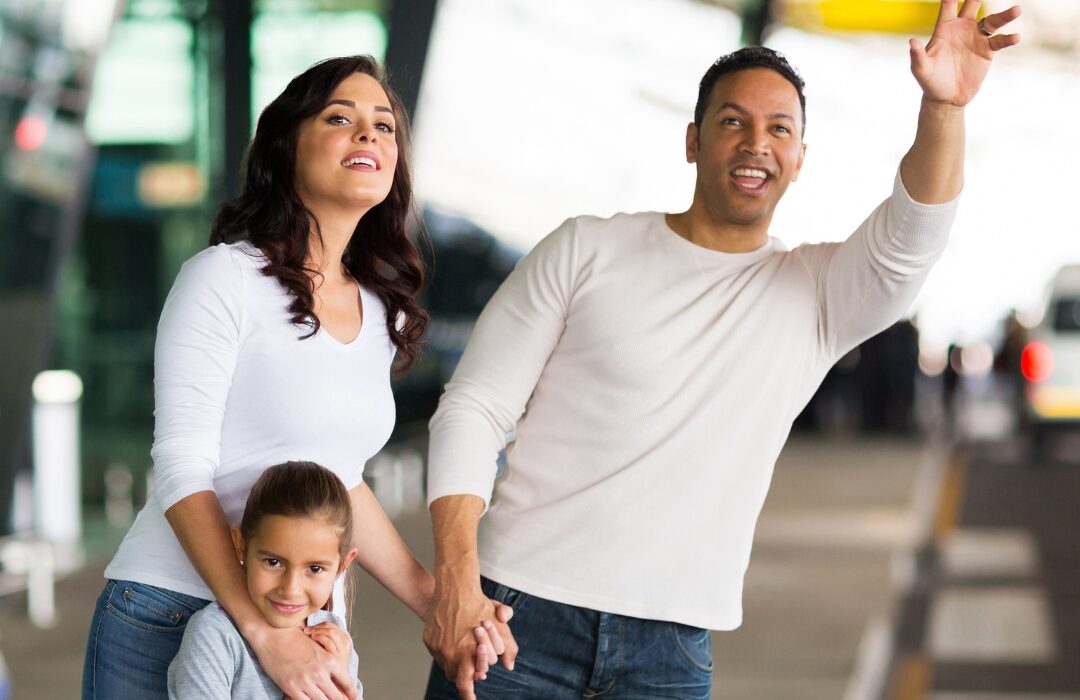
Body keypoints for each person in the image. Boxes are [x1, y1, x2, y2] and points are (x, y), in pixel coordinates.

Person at [421, 1, 1021, 697]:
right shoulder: (586, 247)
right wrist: (457, 581)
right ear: (693, 140)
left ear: (798, 159)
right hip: (512, 620)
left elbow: (910, 240)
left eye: (780, 129)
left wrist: (943, 110)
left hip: (669, 652)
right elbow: (474, 407)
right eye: (733, 120)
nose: (755, 142)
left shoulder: (817, 296)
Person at [81, 55, 507, 700]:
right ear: (286, 148)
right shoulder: (223, 278)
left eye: (384, 125)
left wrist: (439, 601)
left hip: (301, 621)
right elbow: (180, 467)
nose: (369, 135)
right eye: (341, 117)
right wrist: (263, 633)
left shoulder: (375, 309)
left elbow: (339, 478)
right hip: (169, 612)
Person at [167, 461, 362, 698]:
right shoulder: (215, 635)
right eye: (273, 562)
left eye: (314, 568)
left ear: (342, 565)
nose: (291, 589)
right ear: (241, 545)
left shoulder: (336, 640)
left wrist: (339, 674)